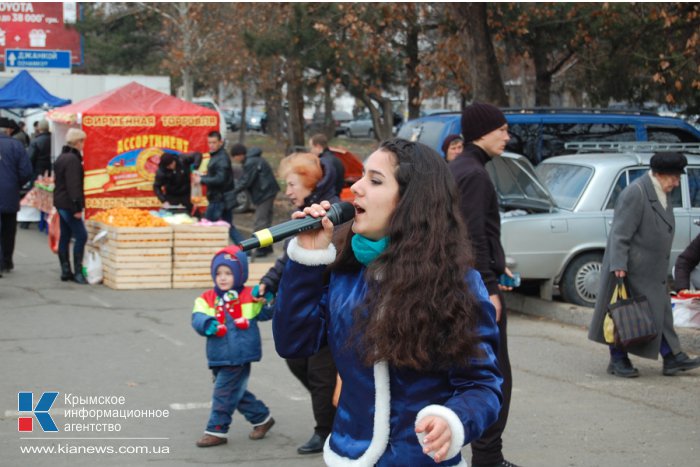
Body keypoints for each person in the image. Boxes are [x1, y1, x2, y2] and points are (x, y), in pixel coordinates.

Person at [273, 138, 503, 465]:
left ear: (412, 200)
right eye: (361, 176)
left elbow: (482, 386)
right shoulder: (346, 271)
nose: (356, 188)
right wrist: (305, 261)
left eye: (375, 180)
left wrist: (453, 421)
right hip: (347, 455)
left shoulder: (459, 284)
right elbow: (294, 343)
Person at [589, 152, 700, 377]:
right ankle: (618, 360)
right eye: (673, 178)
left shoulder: (661, 192)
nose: (676, 183)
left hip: (650, 268)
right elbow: (620, 232)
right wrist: (619, 265)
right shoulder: (636, 192)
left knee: (658, 312)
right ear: (658, 175)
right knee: (624, 313)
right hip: (629, 268)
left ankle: (672, 357)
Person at [448, 102, 516, 467]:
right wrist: (489, 286)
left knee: (469, 371)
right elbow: (472, 236)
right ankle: (489, 458)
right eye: (501, 129)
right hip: (475, 289)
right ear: (481, 132)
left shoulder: (459, 168)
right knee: (494, 374)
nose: (507, 136)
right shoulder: (473, 173)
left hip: (461, 285)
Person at [258, 152, 338, 455]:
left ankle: (325, 430)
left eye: (291, 184)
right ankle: (332, 414)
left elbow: (330, 257)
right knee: (297, 361)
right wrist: (269, 280)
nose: (287, 191)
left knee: (320, 373)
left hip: (325, 307)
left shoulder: (330, 211)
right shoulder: (307, 211)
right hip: (309, 303)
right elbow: (288, 256)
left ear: (309, 181)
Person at [191, 245, 275, 447]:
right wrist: (206, 324)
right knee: (234, 391)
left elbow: (266, 313)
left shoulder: (248, 295)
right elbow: (197, 317)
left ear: (240, 274)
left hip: (240, 354)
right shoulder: (207, 298)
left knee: (223, 392)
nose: (222, 277)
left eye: (228, 273)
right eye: (218, 273)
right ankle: (261, 417)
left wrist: (268, 299)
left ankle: (217, 430)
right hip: (218, 354)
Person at [192, 131, 244, 244]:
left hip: (218, 199)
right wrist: (203, 177)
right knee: (228, 226)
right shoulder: (217, 156)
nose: (211, 145)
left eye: (214, 142)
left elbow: (220, 179)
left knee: (209, 226)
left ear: (220, 142)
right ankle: (247, 248)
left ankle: (209, 250)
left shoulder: (221, 158)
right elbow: (216, 176)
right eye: (209, 143)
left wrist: (201, 180)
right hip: (220, 198)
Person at [230, 143, 280, 258]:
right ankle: (267, 248)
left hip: (265, 193)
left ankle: (261, 249)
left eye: (235, 157)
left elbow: (246, 180)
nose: (235, 160)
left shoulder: (250, 162)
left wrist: (233, 191)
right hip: (267, 191)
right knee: (265, 222)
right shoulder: (253, 159)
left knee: (260, 223)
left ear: (240, 155)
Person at [53, 128, 89, 284]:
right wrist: (77, 208)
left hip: (60, 202)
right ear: (77, 142)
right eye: (83, 142)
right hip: (68, 204)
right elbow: (73, 186)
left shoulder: (62, 157)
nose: (84, 145)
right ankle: (78, 272)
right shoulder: (73, 160)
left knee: (65, 236)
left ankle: (65, 270)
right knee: (81, 235)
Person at [0, 117, 32, 274]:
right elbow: (26, 171)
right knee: (8, 229)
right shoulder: (16, 145)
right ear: (8, 130)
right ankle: (6, 261)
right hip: (10, 193)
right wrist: (16, 184)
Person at [308, 133, 344, 198]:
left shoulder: (322, 162)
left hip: (326, 200)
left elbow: (320, 185)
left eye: (311, 148)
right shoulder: (337, 159)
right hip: (337, 197)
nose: (311, 151)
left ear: (318, 147)